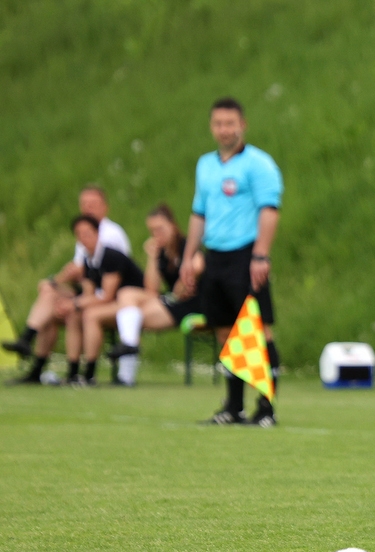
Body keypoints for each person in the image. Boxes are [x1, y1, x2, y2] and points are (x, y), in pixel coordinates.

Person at [179, 97, 282, 426]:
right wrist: (189, 256)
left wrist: (261, 254)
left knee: (258, 330)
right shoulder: (205, 165)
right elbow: (199, 213)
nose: (224, 130)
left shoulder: (258, 163)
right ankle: (233, 407)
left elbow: (269, 209)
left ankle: (266, 407)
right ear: (212, 127)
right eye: (218, 124)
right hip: (216, 257)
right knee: (225, 333)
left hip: (245, 254)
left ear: (243, 125)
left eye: (230, 123)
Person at [3, 185, 131, 384]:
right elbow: (81, 274)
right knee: (49, 294)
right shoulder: (84, 234)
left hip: (110, 297)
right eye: (84, 204)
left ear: (105, 207)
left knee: (71, 310)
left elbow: (102, 283)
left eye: (93, 204)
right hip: (90, 291)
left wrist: (74, 300)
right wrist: (55, 282)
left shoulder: (110, 235)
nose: (88, 208)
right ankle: (31, 355)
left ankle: (69, 369)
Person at [106, 203, 206, 386]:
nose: (156, 235)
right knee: (127, 294)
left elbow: (198, 264)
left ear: (173, 225)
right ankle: (130, 347)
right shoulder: (161, 252)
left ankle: (126, 373)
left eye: (160, 229)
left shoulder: (185, 244)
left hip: (193, 302)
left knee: (131, 318)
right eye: (152, 231)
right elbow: (151, 289)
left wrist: (183, 282)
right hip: (173, 300)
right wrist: (152, 256)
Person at [44, 216, 144, 385]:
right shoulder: (87, 259)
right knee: (74, 315)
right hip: (112, 302)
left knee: (91, 315)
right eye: (79, 234)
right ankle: (73, 372)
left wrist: (75, 303)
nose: (84, 238)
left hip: (131, 302)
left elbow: (107, 295)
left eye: (87, 233)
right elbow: (89, 294)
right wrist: (71, 304)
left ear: (98, 234)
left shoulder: (111, 256)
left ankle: (89, 373)